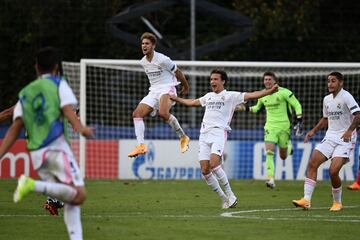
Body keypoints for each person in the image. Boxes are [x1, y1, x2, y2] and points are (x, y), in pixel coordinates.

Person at [0, 47, 93, 239]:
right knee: (79, 194)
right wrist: (81, 127)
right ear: (56, 67)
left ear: (36, 67)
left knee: (69, 198)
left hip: (36, 154)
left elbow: (14, 126)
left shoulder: (26, 92)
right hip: (57, 148)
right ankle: (31, 185)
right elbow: (68, 111)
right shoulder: (59, 85)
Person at [170, 69, 278, 209]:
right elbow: (192, 103)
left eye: (215, 79)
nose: (212, 82)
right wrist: (176, 99)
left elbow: (252, 95)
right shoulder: (208, 96)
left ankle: (231, 194)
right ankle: (224, 198)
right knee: (204, 170)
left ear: (223, 81)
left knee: (214, 164)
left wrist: (268, 91)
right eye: (211, 79)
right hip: (204, 135)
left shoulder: (230, 96)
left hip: (219, 133)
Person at [292, 72, 360, 211]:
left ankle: (337, 202)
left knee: (333, 171)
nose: (330, 84)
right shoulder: (326, 99)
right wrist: (313, 131)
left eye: (333, 81)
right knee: (312, 163)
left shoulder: (346, 96)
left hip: (345, 138)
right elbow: (325, 118)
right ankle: (306, 199)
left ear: (340, 83)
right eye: (328, 81)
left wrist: (349, 131)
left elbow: (358, 115)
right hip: (330, 136)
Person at [128, 32, 190, 158]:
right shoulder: (143, 62)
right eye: (143, 43)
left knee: (163, 113)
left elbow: (178, 72)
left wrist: (186, 86)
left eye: (147, 44)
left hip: (168, 88)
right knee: (136, 114)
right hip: (154, 91)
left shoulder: (162, 59)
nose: (144, 46)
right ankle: (140, 146)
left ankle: (183, 137)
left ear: (153, 46)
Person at [235, 71, 302, 188]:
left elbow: (296, 104)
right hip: (270, 127)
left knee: (283, 156)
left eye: (269, 79)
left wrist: (299, 119)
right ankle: (270, 179)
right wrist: (244, 108)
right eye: (265, 80)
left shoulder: (284, 92)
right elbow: (257, 109)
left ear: (275, 81)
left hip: (284, 127)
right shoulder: (263, 95)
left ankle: (289, 146)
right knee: (269, 153)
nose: (267, 81)